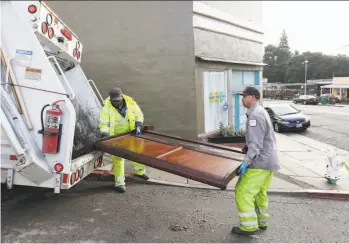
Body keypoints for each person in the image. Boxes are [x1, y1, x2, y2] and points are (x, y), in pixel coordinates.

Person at [232, 86, 280, 235]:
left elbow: (256, 145)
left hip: (259, 162)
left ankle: (249, 226)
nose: (242, 98)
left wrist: (246, 162)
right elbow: (262, 138)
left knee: (243, 191)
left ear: (252, 97)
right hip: (269, 161)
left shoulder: (255, 115)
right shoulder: (261, 111)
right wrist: (248, 146)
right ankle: (261, 221)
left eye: (244, 96)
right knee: (259, 192)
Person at [98, 87, 149, 193]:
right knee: (118, 159)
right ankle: (120, 183)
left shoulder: (131, 103)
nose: (116, 102)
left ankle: (140, 172)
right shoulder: (106, 108)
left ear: (121, 96)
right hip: (116, 137)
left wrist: (138, 125)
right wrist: (105, 133)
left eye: (118, 99)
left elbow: (139, 115)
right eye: (114, 100)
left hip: (131, 133)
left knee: (136, 153)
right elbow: (103, 124)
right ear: (110, 99)